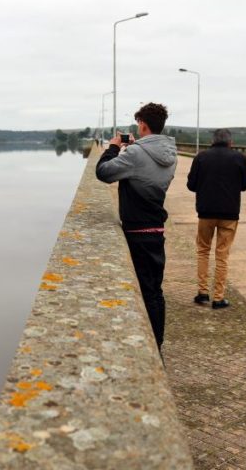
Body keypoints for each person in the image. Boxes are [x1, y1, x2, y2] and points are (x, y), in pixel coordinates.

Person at [95, 103, 177, 351]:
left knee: (144, 292)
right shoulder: (171, 153)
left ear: (142, 124)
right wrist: (132, 149)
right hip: (155, 229)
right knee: (154, 290)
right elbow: (146, 171)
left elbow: (104, 172)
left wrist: (113, 147)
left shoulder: (136, 154)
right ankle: (158, 343)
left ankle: (150, 347)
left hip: (136, 232)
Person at [186, 128, 246, 309]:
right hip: (230, 214)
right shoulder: (240, 158)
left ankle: (203, 292)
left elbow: (191, 185)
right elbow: (244, 186)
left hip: (206, 212)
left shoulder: (201, 157)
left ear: (212, 141)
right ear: (231, 142)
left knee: (203, 251)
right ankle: (218, 297)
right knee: (222, 255)